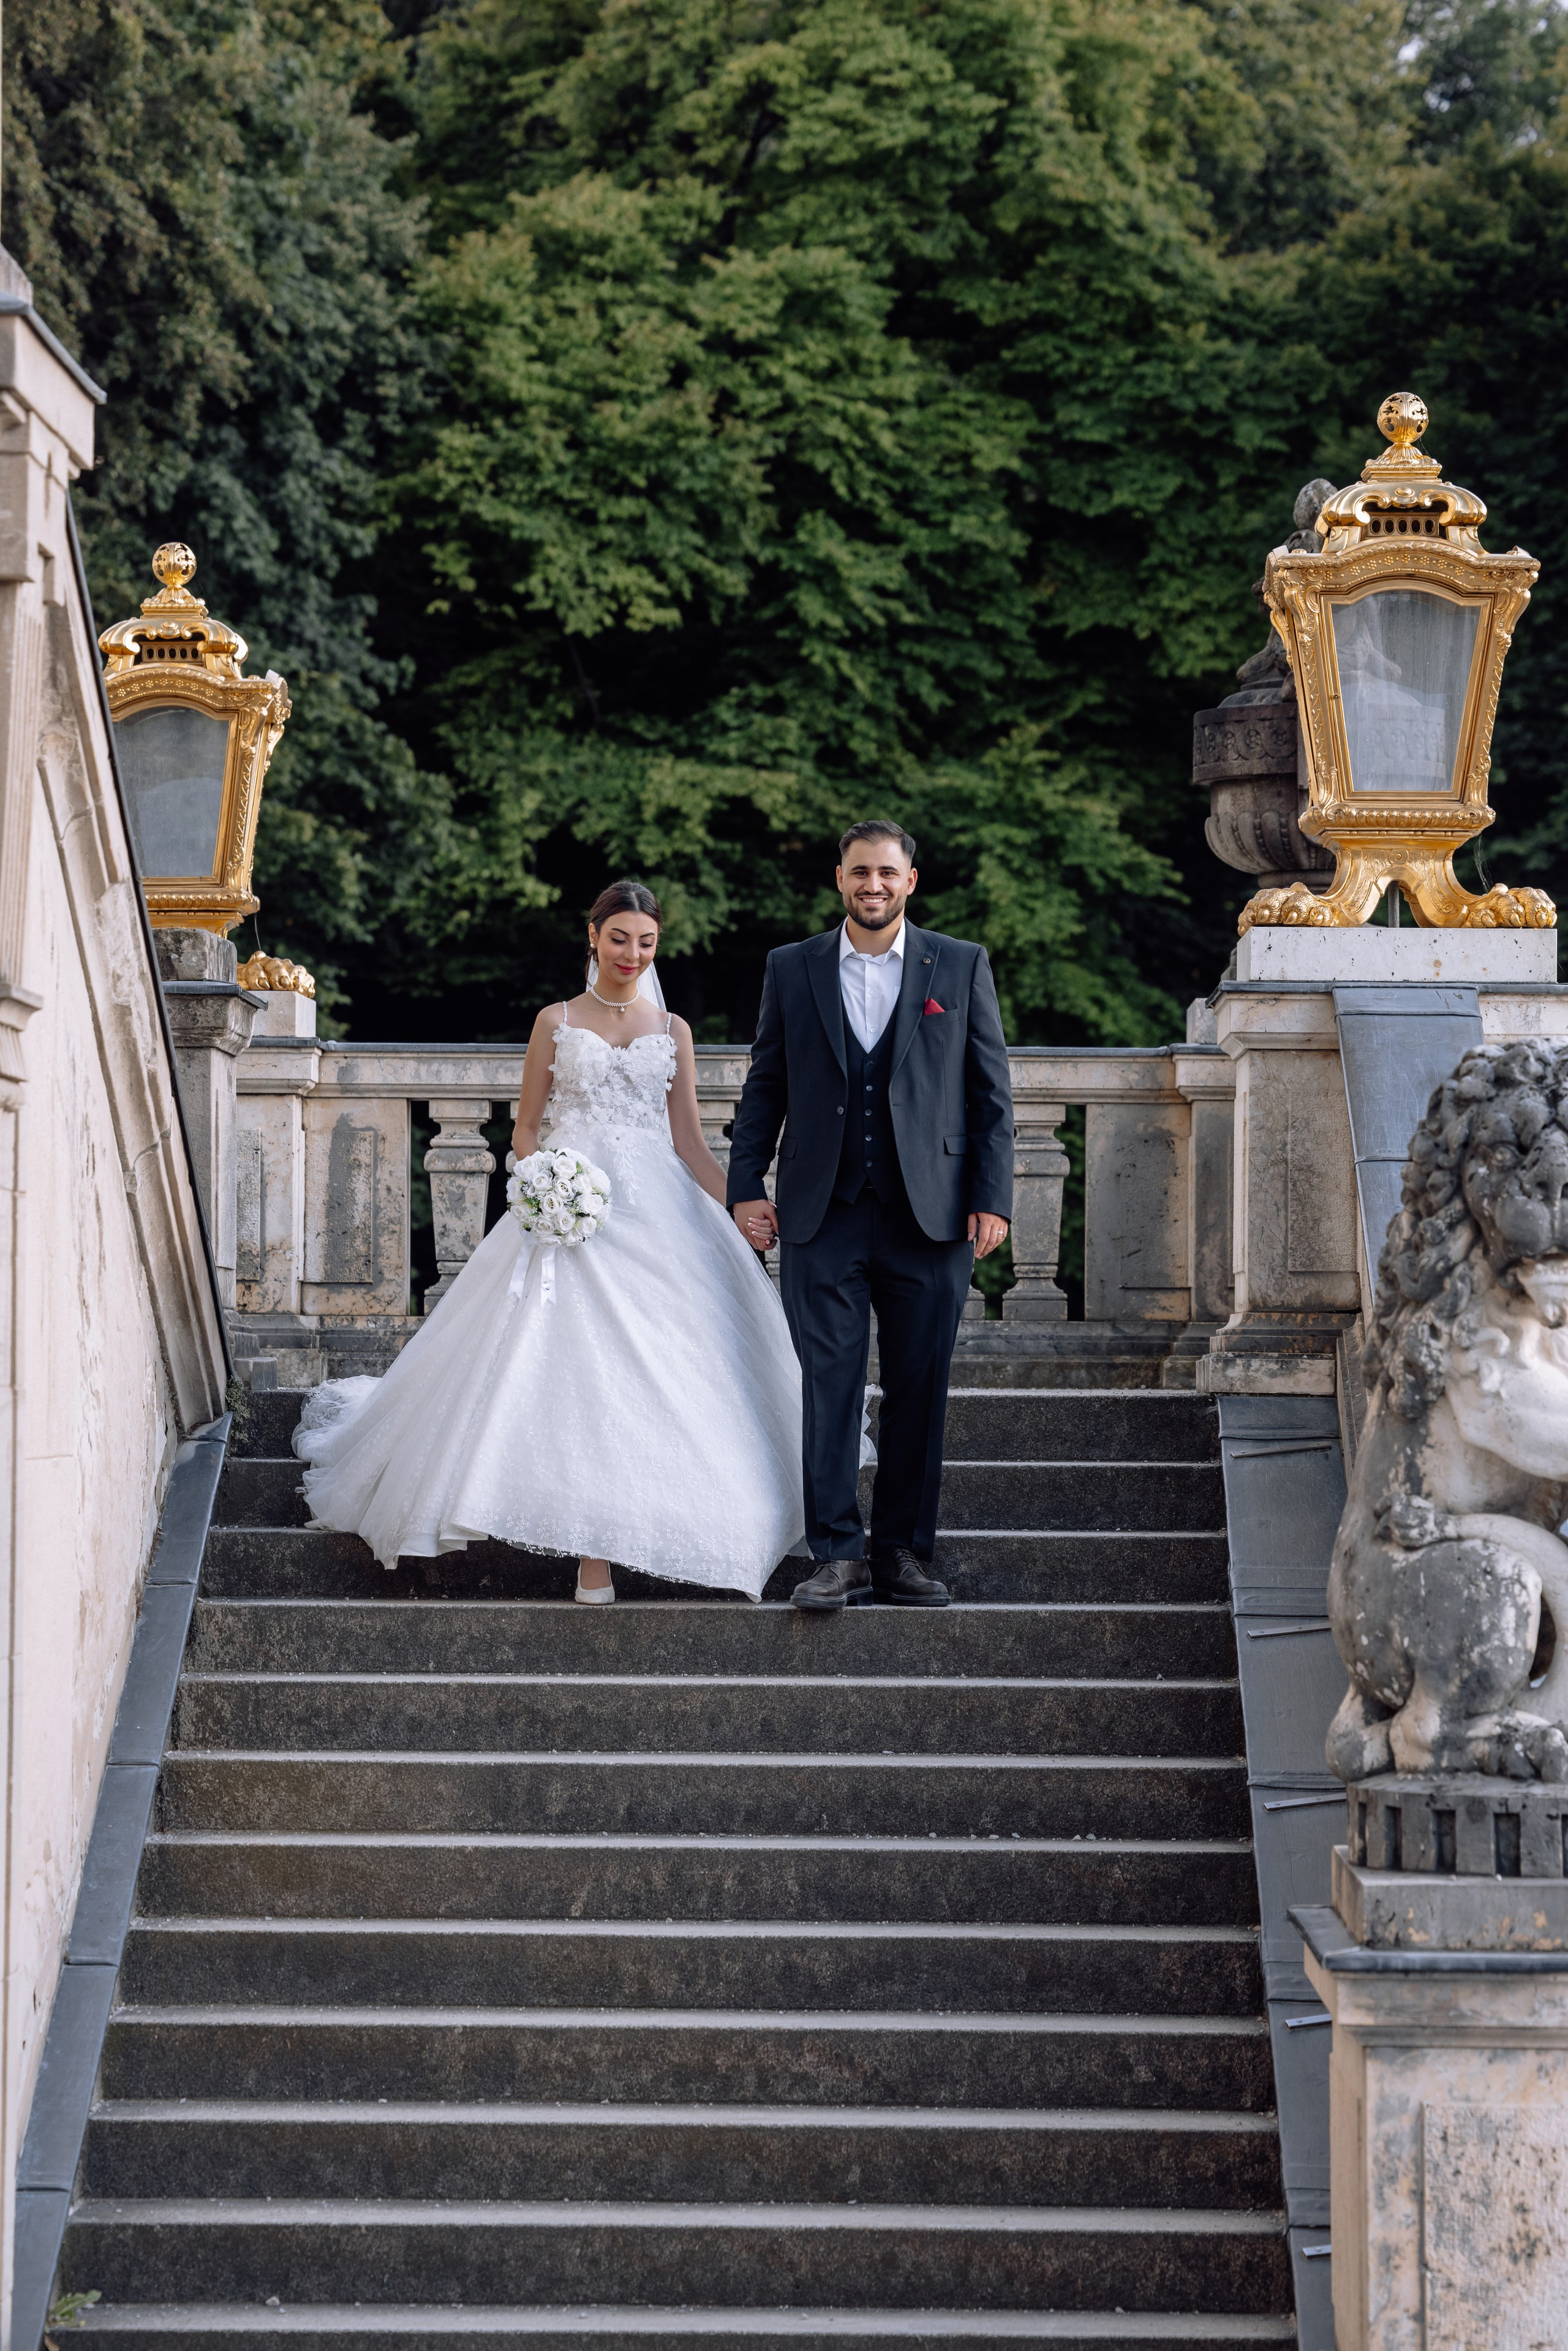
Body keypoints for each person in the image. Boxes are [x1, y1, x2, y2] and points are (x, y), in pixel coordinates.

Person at [293, 880, 805, 1601]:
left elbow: (688, 1141)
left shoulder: (674, 1030)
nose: (632, 953)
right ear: (593, 936)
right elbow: (526, 1128)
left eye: (646, 941)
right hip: (572, 1212)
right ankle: (585, 1550)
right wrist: (544, 1186)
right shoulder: (556, 1020)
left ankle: (658, 1523)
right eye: (620, 937)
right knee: (568, 1366)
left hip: (659, 1216)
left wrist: (740, 1204)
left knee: (668, 1367)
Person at [727, 822, 1013, 1611]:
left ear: (910, 880)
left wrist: (993, 1195)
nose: (873, 885)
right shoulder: (794, 967)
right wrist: (746, 1182)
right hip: (822, 1211)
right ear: (840, 879)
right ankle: (836, 1555)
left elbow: (991, 1092)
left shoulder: (958, 963)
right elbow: (766, 1083)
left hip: (933, 1214)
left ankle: (903, 1556)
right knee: (829, 1385)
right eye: (861, 873)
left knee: (921, 1386)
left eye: (887, 872)